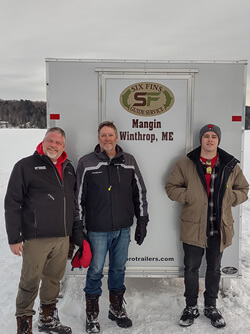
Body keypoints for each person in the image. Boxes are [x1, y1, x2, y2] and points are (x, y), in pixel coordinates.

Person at [165, 124, 249, 329]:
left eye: (213, 137)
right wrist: (190, 196)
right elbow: (171, 187)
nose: (210, 140)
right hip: (194, 226)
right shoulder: (186, 163)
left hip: (218, 227)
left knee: (214, 269)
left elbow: (244, 189)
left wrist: (230, 197)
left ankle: (211, 306)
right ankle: (191, 306)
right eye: (206, 136)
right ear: (200, 140)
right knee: (191, 268)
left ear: (218, 140)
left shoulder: (230, 165)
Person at [72, 121, 149, 333]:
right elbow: (77, 197)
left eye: (110, 135)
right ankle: (92, 314)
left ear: (117, 137)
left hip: (123, 229)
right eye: (103, 135)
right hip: (97, 229)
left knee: (118, 269)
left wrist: (142, 221)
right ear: (99, 138)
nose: (107, 139)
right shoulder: (87, 163)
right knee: (95, 270)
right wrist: (77, 226)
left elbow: (139, 192)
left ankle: (116, 309)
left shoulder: (129, 161)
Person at [4, 127, 75, 334]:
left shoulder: (69, 168)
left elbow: (72, 203)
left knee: (53, 279)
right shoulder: (26, 166)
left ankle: (47, 318)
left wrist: (74, 233)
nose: (53, 145)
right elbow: (12, 203)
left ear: (64, 146)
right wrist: (14, 237)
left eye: (58, 143)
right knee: (30, 281)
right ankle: (24, 325)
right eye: (50, 141)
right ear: (43, 142)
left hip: (62, 237)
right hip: (36, 238)